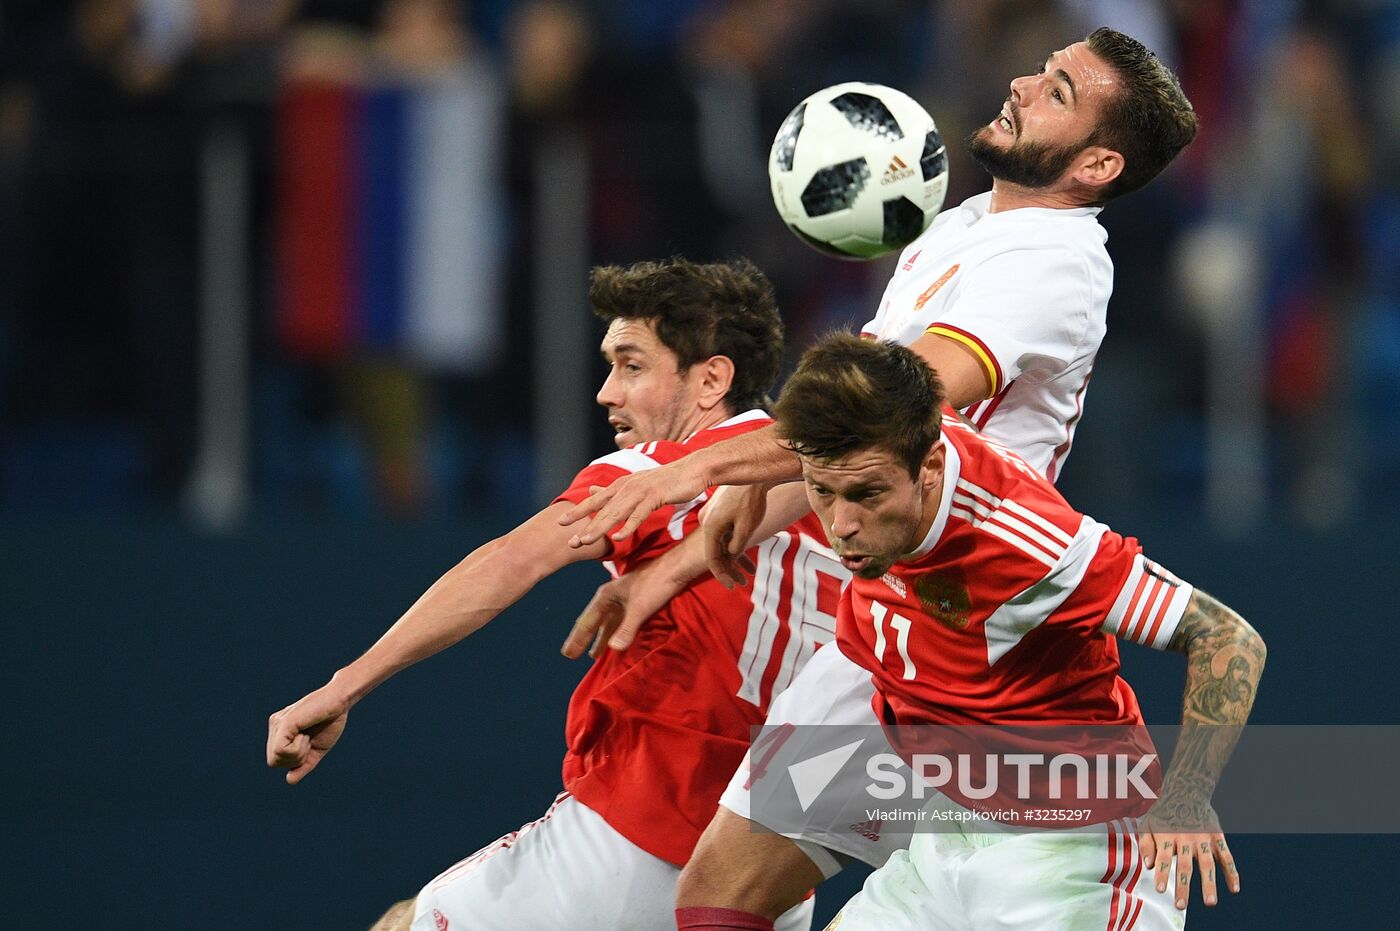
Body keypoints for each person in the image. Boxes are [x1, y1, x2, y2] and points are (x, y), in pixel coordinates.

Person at [555, 27, 1202, 928]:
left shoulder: (1053, 265)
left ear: (1097, 162)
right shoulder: (963, 228)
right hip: (881, 622)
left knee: (732, 891)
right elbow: (844, 446)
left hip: (960, 630)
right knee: (720, 892)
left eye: (1057, 90)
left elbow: (875, 412)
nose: (1020, 82)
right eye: (1041, 68)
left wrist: (688, 472)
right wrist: (677, 562)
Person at [265, 258, 841, 931]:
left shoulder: (659, 472)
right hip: (767, 885)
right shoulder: (851, 488)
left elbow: (511, 561)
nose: (606, 392)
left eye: (631, 365)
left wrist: (345, 685)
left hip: (629, 846)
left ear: (712, 378)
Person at [774, 334, 1264, 930]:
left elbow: (1226, 636)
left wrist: (1187, 794)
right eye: (821, 491)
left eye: (866, 494)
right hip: (943, 838)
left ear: (929, 466)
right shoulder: (888, 430)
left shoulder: (1027, 545)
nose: (841, 525)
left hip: (1072, 855)